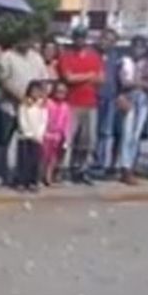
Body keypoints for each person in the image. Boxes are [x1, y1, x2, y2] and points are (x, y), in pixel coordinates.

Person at [0, 31, 49, 185]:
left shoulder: (36, 57)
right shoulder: (7, 57)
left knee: (29, 143)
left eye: (27, 39)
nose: (25, 42)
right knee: (3, 140)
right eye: (22, 39)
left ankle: (25, 176)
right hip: (10, 106)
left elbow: (44, 80)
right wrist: (20, 97)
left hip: (32, 109)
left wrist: (42, 97)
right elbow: (2, 81)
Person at [57, 27, 103, 185]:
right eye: (77, 37)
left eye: (82, 37)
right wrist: (89, 75)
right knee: (67, 139)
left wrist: (83, 77)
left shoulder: (94, 56)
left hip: (90, 103)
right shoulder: (66, 56)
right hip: (72, 103)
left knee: (87, 140)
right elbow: (69, 78)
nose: (80, 40)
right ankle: (62, 170)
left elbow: (101, 79)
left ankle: (80, 170)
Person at [116, 36, 148, 185]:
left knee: (136, 135)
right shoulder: (124, 61)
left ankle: (131, 165)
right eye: (136, 46)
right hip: (128, 98)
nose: (139, 50)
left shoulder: (147, 63)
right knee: (127, 134)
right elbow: (124, 82)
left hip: (143, 99)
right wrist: (139, 83)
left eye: (142, 47)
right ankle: (125, 168)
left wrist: (140, 83)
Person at [93, 29, 122, 177]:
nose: (106, 42)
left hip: (110, 97)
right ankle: (84, 164)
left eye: (111, 40)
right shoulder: (91, 53)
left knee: (105, 132)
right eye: (105, 38)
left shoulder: (116, 56)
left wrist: (119, 95)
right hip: (92, 97)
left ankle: (99, 164)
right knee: (91, 132)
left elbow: (119, 78)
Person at [15, 81, 48, 192]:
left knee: (35, 160)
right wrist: (27, 132)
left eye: (38, 91)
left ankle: (33, 182)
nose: (35, 93)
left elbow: (43, 121)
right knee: (24, 160)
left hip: (37, 137)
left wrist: (39, 134)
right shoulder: (24, 104)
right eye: (33, 91)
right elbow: (22, 119)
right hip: (25, 136)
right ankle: (21, 181)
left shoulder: (42, 105)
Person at [42, 83, 72, 186]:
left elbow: (67, 123)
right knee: (44, 156)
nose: (61, 94)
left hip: (58, 135)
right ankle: (41, 174)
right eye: (58, 91)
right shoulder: (48, 103)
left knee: (54, 157)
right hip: (46, 133)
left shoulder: (66, 107)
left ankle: (48, 175)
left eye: (63, 92)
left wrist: (66, 137)